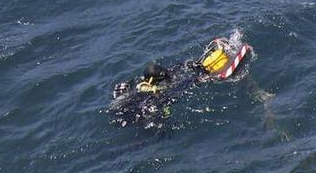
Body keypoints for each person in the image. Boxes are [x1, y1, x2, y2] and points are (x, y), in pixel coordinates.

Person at [109, 32, 254, 132]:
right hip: (143, 111)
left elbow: (173, 70)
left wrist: (189, 65)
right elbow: (179, 87)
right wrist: (200, 77)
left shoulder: (141, 84)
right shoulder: (158, 92)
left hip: (126, 108)